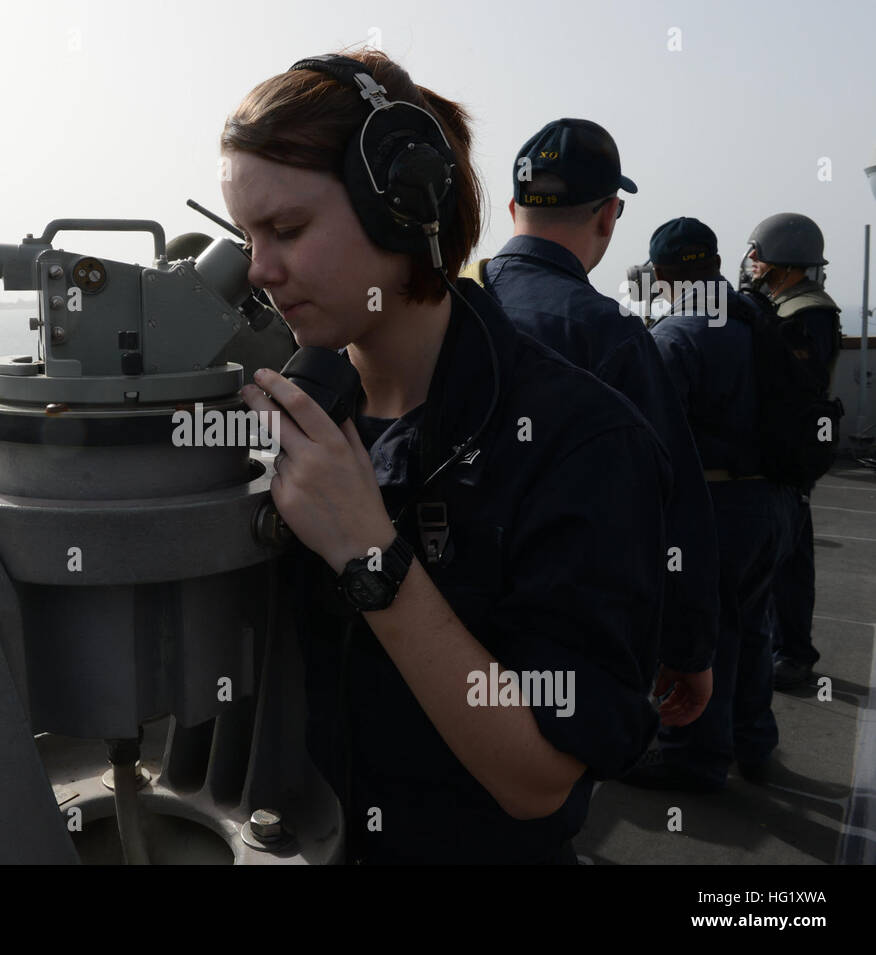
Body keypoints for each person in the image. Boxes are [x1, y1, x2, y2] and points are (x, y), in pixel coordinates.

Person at [221, 49, 670, 864]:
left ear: (404, 209)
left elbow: (540, 781)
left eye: (287, 229)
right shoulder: (287, 412)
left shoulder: (580, 441)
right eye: (247, 235)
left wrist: (371, 555)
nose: (259, 268)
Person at [477, 119, 718, 726]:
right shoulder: (613, 338)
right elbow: (673, 500)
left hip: (429, 621)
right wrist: (688, 648)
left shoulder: (444, 306)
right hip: (555, 637)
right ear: (609, 215)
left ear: (512, 206)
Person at [624, 218, 796, 791]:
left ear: (663, 272)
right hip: (767, 501)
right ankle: (753, 742)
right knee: (752, 629)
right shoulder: (754, 317)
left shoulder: (676, 337)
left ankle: (692, 757)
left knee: (698, 632)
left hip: (712, 505)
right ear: (716, 263)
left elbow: (650, 437)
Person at [742, 213, 843, 691]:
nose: (753, 267)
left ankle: (792, 654)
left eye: (759, 259)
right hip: (794, 447)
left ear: (780, 263)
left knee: (787, 559)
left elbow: (792, 386)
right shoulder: (795, 307)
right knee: (789, 553)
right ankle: (791, 651)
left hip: (790, 450)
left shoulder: (805, 314)